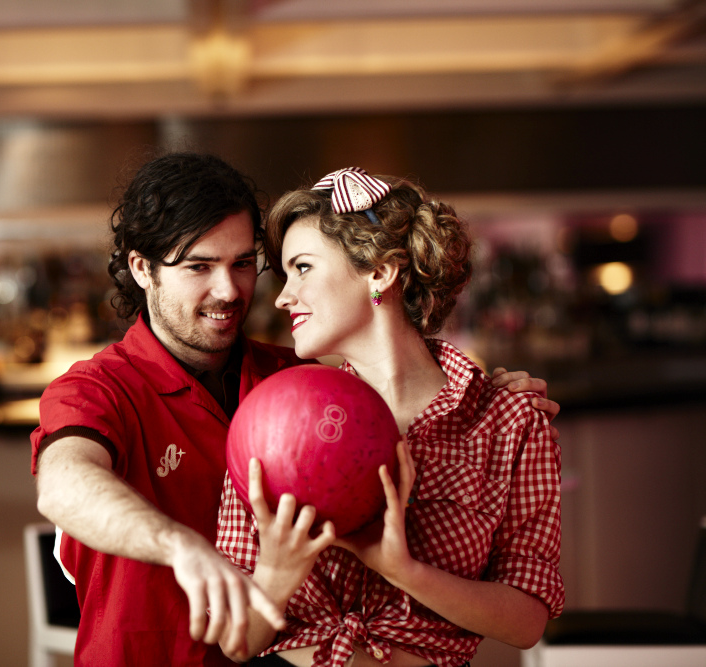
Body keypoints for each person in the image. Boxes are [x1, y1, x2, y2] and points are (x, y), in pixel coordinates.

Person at [31, 153, 558, 667]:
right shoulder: (99, 387)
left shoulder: (310, 389)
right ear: (142, 269)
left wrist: (497, 398)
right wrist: (180, 547)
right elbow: (64, 484)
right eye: (199, 266)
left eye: (243, 264)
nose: (229, 289)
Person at [216, 167, 565, 667]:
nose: (283, 296)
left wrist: (401, 569)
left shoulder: (509, 421)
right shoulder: (272, 418)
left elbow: (527, 621)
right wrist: (277, 574)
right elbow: (233, 644)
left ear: (380, 272)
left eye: (303, 267)